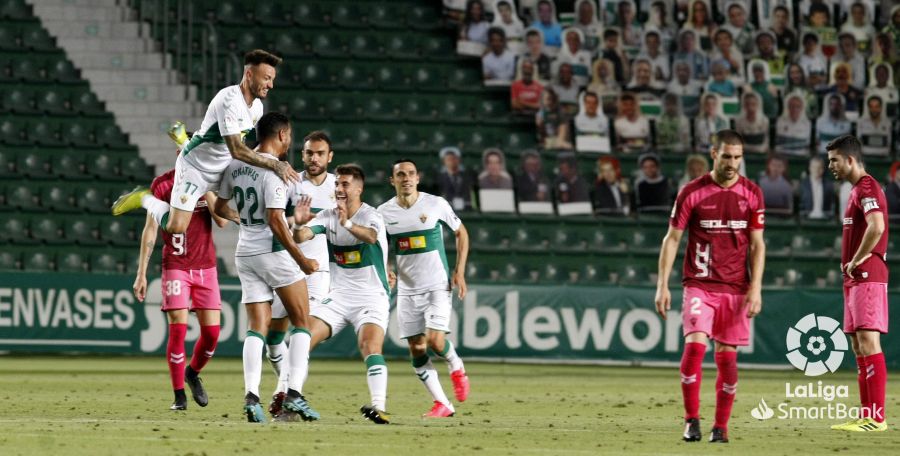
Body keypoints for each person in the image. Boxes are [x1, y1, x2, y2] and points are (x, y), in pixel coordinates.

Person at [654, 129, 765, 444]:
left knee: (727, 359)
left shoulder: (753, 194)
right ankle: (691, 421)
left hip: (736, 288)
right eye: (727, 156)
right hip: (700, 284)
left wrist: (756, 288)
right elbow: (672, 239)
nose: (732, 163)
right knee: (694, 347)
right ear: (713, 154)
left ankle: (721, 427)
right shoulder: (692, 192)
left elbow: (758, 245)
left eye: (738, 157)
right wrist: (662, 285)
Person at [112, 50, 297, 234]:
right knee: (176, 227)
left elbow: (244, 145)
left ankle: (240, 216)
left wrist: (271, 162)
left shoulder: (257, 107)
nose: (271, 85)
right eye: (266, 78)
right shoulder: (229, 100)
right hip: (195, 168)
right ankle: (144, 198)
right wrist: (274, 164)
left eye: (272, 79)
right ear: (249, 75)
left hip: (223, 168)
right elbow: (237, 151)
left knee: (235, 204)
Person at [214, 112, 320, 423]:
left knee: (256, 329)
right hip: (272, 252)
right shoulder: (274, 171)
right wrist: (302, 260)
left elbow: (220, 208)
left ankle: (251, 395)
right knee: (302, 322)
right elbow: (275, 220)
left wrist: (245, 222)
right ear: (283, 135)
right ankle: (295, 393)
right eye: (290, 135)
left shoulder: (235, 164)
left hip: (245, 251)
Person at [292, 164, 393, 424]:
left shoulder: (372, 216)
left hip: (371, 296)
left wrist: (346, 222)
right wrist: (298, 226)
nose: (339, 189)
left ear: (359, 188)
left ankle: (378, 407)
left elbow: (370, 237)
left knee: (369, 345)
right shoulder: (327, 215)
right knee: (302, 337)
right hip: (338, 296)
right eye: (337, 184)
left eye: (345, 184)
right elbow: (302, 236)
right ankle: (292, 398)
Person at [133, 142, 228, 411]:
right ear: (181, 156)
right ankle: (179, 396)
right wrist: (141, 273)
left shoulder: (207, 183)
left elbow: (221, 221)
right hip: (176, 266)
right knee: (178, 329)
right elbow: (150, 231)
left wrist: (207, 187)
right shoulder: (162, 185)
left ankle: (192, 373)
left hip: (205, 266)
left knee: (211, 334)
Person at [378, 159, 471, 418]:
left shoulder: (435, 204)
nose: (406, 178)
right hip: (408, 290)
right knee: (417, 349)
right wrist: (386, 267)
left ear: (417, 178)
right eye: (400, 175)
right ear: (392, 180)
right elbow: (378, 245)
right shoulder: (383, 213)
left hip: (436, 285)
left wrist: (459, 271)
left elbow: (461, 233)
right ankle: (442, 403)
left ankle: (455, 363)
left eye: (410, 174)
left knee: (434, 340)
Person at [265, 130, 337, 419]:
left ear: (329, 157)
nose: (314, 158)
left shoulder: (338, 187)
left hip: (318, 271)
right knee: (272, 339)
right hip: (288, 268)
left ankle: (285, 393)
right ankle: (286, 385)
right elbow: (275, 222)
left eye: (320, 153)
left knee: (301, 333)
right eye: (309, 153)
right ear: (302, 154)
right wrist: (298, 218)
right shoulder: (290, 182)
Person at [826, 135, 890, 433]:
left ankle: (876, 418)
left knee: (868, 342)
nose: (830, 166)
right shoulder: (856, 190)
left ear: (850, 160)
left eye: (834, 160)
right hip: (855, 278)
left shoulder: (866, 186)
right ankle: (867, 415)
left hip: (867, 274)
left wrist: (856, 260)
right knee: (857, 345)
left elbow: (877, 226)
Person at [437, 146, 475, 211]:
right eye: (449, 159)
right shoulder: (440, 178)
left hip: (466, 209)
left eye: (454, 159)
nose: (452, 162)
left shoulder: (466, 177)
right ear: (444, 161)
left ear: (458, 160)